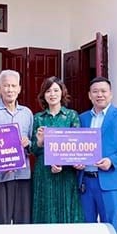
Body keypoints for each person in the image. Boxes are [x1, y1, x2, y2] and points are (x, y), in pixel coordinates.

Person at [77, 77, 117, 234]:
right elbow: (76, 145)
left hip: (110, 179)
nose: (99, 95)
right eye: (95, 91)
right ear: (89, 95)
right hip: (86, 181)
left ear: (110, 94)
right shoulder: (82, 118)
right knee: (87, 226)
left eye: (103, 91)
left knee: (109, 225)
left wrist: (111, 160)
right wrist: (77, 161)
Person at [0, 70, 34, 224]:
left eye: (13, 86)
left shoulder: (27, 113)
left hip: (22, 175)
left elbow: (32, 145)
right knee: (1, 220)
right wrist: (2, 162)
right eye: (6, 86)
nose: (9, 89)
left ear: (19, 88)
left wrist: (28, 143)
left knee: (23, 220)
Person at [30, 77, 83, 224]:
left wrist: (62, 163)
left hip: (66, 172)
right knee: (45, 209)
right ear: (43, 95)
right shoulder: (38, 118)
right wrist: (40, 142)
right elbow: (33, 150)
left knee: (66, 207)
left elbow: (76, 146)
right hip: (44, 171)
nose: (52, 94)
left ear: (62, 93)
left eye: (55, 90)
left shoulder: (71, 115)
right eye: (48, 91)